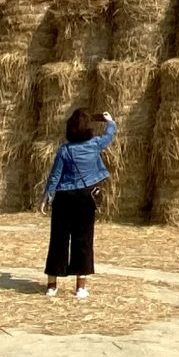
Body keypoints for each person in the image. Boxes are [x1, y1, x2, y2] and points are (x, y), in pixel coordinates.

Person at [39, 107, 116, 299]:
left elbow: (55, 175)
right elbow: (109, 135)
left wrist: (47, 196)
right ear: (88, 129)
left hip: (64, 197)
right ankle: (80, 287)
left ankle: (51, 286)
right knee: (83, 240)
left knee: (58, 240)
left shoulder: (64, 150)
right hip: (85, 197)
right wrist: (110, 121)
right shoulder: (95, 144)